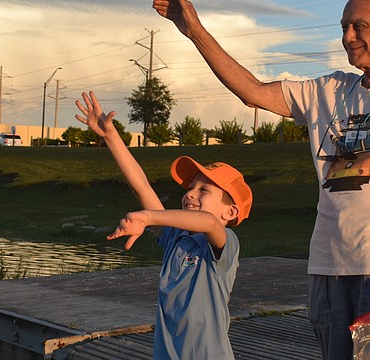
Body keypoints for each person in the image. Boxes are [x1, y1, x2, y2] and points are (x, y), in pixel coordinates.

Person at [153, 0, 370, 359]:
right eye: (344, 26)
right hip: (328, 270)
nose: (347, 36)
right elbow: (251, 91)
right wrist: (194, 30)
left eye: (359, 26)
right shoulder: (328, 91)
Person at [74, 91, 253, 359]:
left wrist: (148, 217)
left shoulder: (224, 246)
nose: (190, 193)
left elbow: (207, 222)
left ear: (231, 211)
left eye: (204, 190)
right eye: (191, 187)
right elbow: (141, 185)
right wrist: (110, 137)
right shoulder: (175, 239)